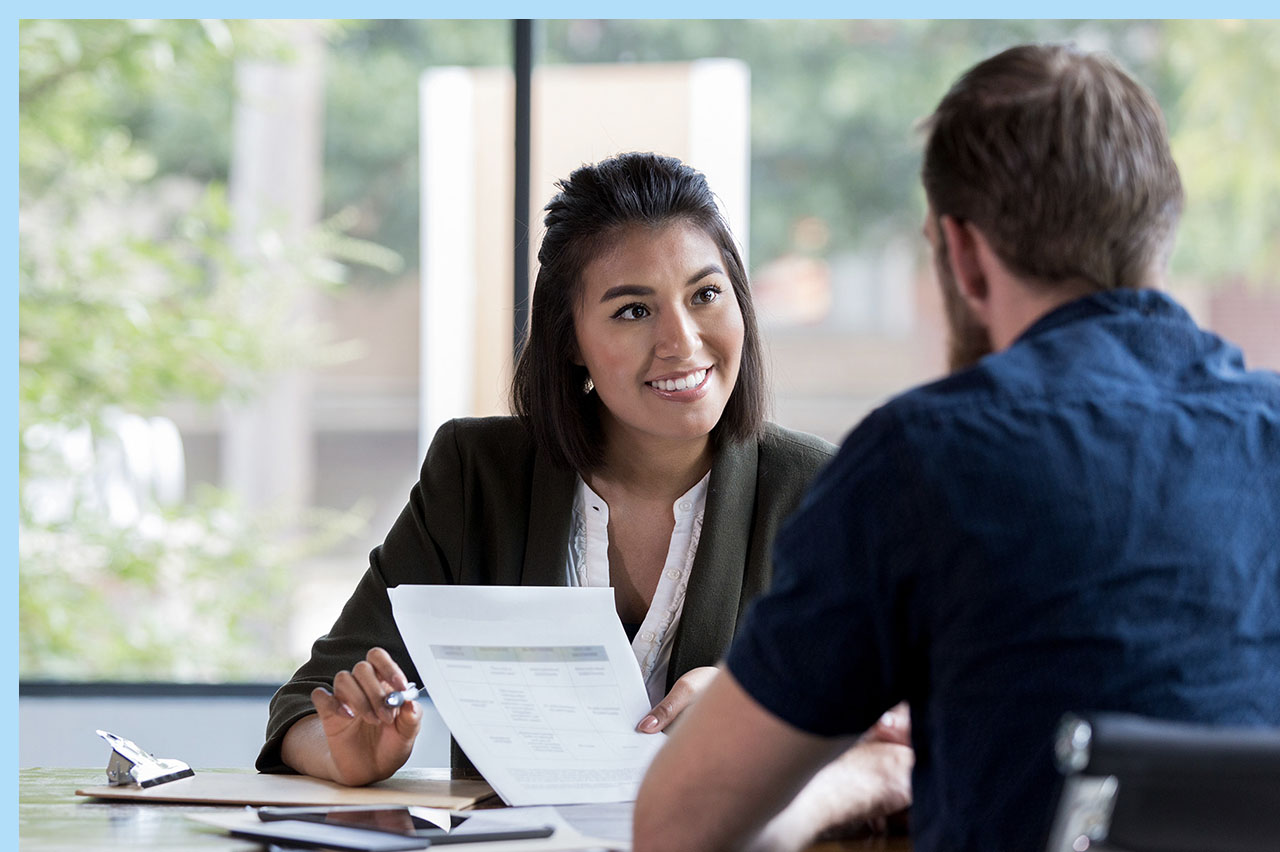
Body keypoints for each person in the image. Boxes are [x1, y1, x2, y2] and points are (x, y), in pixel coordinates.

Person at [634, 44, 1280, 852]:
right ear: (1162, 228)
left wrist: (859, 776)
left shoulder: (924, 459)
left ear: (964, 254)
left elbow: (677, 827)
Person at [256, 152, 908, 832]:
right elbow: (307, 703)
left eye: (705, 295)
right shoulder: (477, 475)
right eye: (632, 310)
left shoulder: (820, 492)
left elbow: (899, 728)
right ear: (571, 340)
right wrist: (342, 754)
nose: (682, 341)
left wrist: (758, 708)